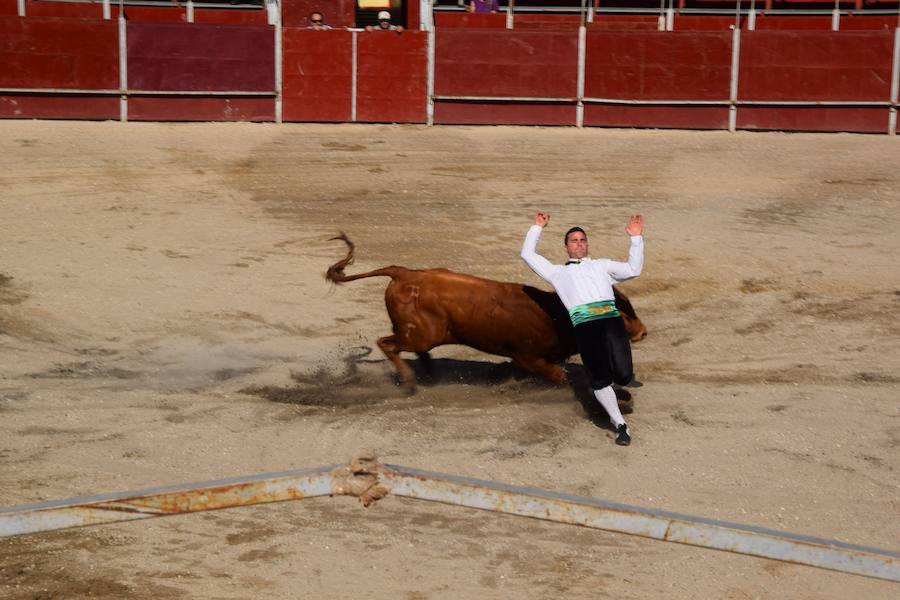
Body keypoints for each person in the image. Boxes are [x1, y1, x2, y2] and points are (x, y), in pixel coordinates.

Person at [521, 212, 644, 446]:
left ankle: (615, 384)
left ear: (587, 244)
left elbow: (633, 269)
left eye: (582, 240)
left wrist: (636, 239)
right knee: (599, 379)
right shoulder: (556, 272)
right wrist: (537, 228)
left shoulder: (603, 266)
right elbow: (527, 254)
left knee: (624, 375)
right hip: (585, 327)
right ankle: (620, 425)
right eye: (574, 241)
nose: (579, 244)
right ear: (566, 247)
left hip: (611, 322)